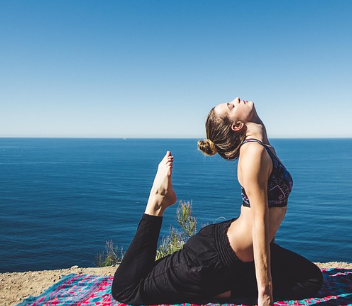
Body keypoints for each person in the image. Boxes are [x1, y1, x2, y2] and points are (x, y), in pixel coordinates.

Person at [111, 97, 323, 306]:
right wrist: (265, 295)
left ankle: (219, 288)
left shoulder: (264, 147)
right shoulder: (253, 152)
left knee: (311, 279)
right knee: (127, 290)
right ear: (237, 125)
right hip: (211, 258)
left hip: (238, 255)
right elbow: (260, 224)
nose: (236, 99)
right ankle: (157, 201)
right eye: (231, 106)